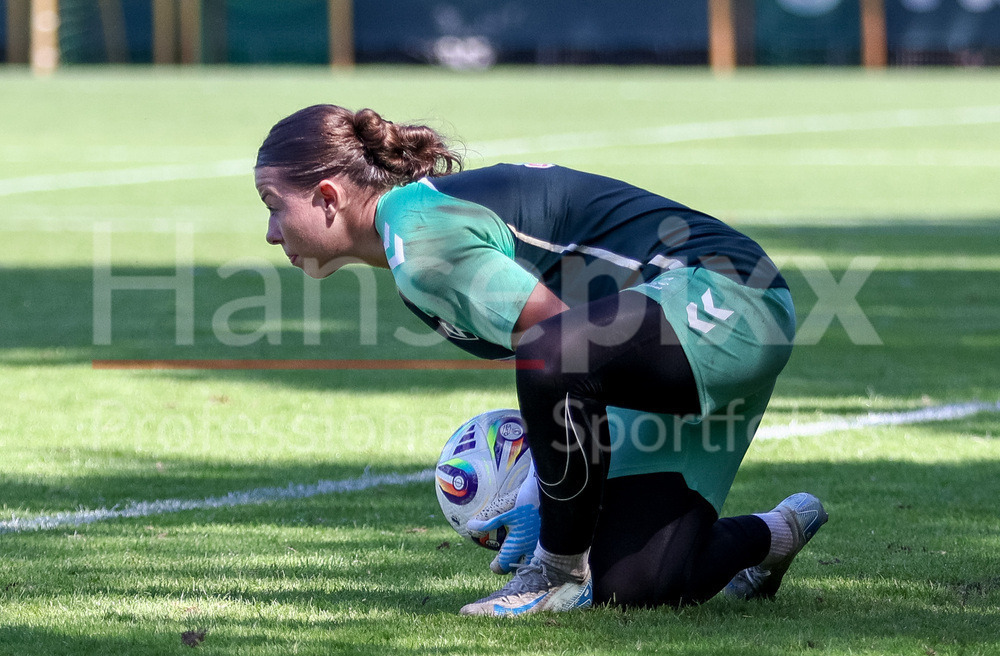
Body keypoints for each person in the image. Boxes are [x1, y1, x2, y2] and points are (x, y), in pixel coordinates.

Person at [254, 104, 829, 617]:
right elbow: (574, 352)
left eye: (274, 207)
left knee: (551, 353)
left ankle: (553, 575)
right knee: (636, 585)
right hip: (667, 338)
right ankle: (776, 535)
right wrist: (547, 473)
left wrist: (537, 498)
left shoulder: (417, 236)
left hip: (726, 300)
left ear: (328, 196)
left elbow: (556, 343)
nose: (271, 233)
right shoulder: (412, 241)